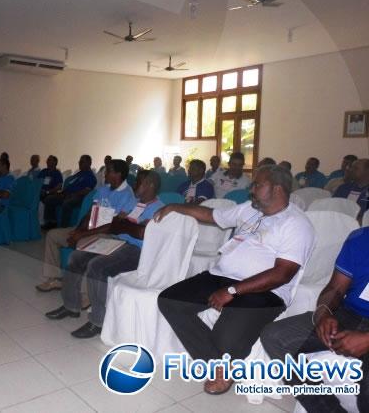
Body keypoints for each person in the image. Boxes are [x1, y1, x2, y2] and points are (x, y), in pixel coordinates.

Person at [156, 164, 315, 395]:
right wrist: (174, 207)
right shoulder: (249, 209)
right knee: (170, 301)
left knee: (225, 340)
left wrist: (232, 291)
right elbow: (211, 215)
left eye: (258, 184)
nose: (251, 189)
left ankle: (222, 361)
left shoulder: (297, 224)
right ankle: (219, 365)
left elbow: (282, 274)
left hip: (266, 291)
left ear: (278, 189)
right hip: (221, 276)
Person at [261, 227, 369, 413]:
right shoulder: (360, 239)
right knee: (275, 337)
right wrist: (323, 314)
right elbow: (335, 289)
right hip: (350, 314)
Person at [46, 170, 163, 338]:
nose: (135, 184)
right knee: (77, 256)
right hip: (117, 241)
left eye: (139, 182)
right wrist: (127, 225)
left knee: (97, 267)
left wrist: (124, 225)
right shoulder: (135, 203)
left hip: (137, 251)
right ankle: (71, 306)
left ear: (150, 185)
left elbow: (141, 234)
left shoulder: (159, 209)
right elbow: (114, 224)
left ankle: (98, 321)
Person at [36, 159, 136, 292]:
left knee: (84, 243)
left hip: (108, 235)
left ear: (118, 174)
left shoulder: (128, 195)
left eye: (108, 171)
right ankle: (54, 278)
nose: (104, 174)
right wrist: (77, 231)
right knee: (52, 235)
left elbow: (112, 226)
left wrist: (81, 235)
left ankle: (83, 292)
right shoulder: (103, 190)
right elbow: (90, 213)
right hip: (91, 228)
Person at [41, 155, 97, 229]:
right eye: (79, 161)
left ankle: (64, 227)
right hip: (67, 194)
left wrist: (73, 194)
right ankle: (51, 222)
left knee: (67, 203)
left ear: (89, 163)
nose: (79, 163)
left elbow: (86, 191)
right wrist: (62, 192)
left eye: (82, 162)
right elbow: (70, 184)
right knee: (49, 199)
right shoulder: (79, 174)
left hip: (79, 197)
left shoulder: (90, 176)